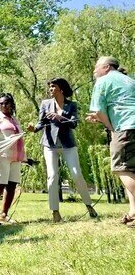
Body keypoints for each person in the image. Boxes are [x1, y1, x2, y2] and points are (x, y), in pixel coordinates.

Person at [27, 78, 97, 222]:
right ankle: (55, 212)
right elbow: (41, 123)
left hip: (68, 145)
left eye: (53, 87)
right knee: (52, 177)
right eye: (50, 87)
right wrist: (34, 129)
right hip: (49, 145)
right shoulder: (45, 104)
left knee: (77, 174)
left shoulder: (71, 105)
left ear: (61, 89)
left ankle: (89, 205)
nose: (50, 89)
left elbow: (74, 124)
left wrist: (60, 117)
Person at [86, 56, 135, 227]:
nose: (94, 71)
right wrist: (102, 119)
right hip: (131, 125)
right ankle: (133, 212)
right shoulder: (129, 80)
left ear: (106, 67)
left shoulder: (103, 81)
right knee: (131, 170)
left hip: (125, 128)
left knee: (120, 168)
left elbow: (99, 110)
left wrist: (109, 127)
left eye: (96, 68)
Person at [0, 93, 26, 226]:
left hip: (16, 156)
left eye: (6, 103)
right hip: (1, 155)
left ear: (12, 105)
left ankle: (4, 214)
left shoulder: (14, 119)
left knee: (12, 185)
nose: (3, 105)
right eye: (1, 103)